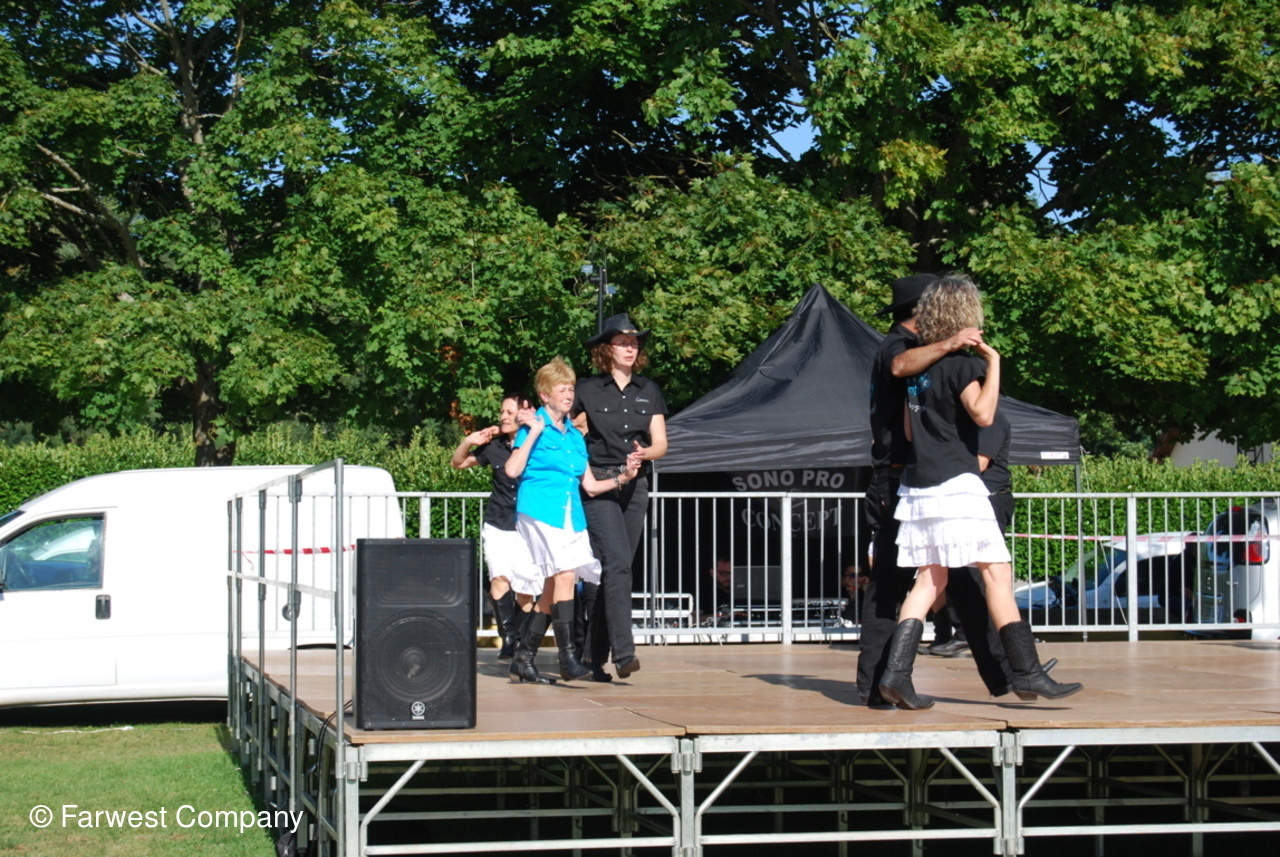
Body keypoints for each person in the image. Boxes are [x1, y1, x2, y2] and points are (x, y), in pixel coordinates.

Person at [878, 276, 1082, 710]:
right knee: (997, 574)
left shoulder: (918, 372)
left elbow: (911, 431)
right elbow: (984, 414)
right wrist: (993, 363)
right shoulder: (964, 367)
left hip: (918, 483)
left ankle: (895, 675)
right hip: (957, 483)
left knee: (929, 579)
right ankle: (1028, 672)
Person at [857, 273, 983, 704]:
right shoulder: (898, 345)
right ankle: (876, 684)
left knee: (956, 576)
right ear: (922, 310)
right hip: (896, 478)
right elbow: (898, 367)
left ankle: (1011, 669)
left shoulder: (914, 346)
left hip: (912, 477)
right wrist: (951, 344)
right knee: (893, 582)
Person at [506, 357, 643, 685]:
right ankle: (568, 657)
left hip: (569, 514)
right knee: (566, 573)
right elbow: (512, 469)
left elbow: (591, 486)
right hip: (540, 510)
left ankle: (523, 658)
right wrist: (534, 431)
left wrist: (623, 477)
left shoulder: (575, 437)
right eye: (561, 390)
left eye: (570, 389)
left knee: (553, 587)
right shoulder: (533, 426)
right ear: (545, 395)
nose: (568, 395)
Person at [572, 313, 669, 681]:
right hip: (600, 482)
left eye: (634, 343)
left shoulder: (649, 389)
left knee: (616, 570)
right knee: (616, 564)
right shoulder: (586, 389)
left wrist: (644, 454)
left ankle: (591, 657)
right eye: (623, 343)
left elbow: (661, 444)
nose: (631, 348)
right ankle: (624, 652)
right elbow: (565, 431)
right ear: (606, 349)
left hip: (635, 484)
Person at [450, 393, 537, 661]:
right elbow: (458, 463)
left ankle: (522, 642)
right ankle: (508, 640)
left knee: (526, 589)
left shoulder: (538, 444)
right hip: (498, 522)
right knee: (499, 578)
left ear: (524, 413)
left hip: (528, 524)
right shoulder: (495, 445)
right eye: (502, 412)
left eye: (509, 412)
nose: (503, 416)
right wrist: (469, 440)